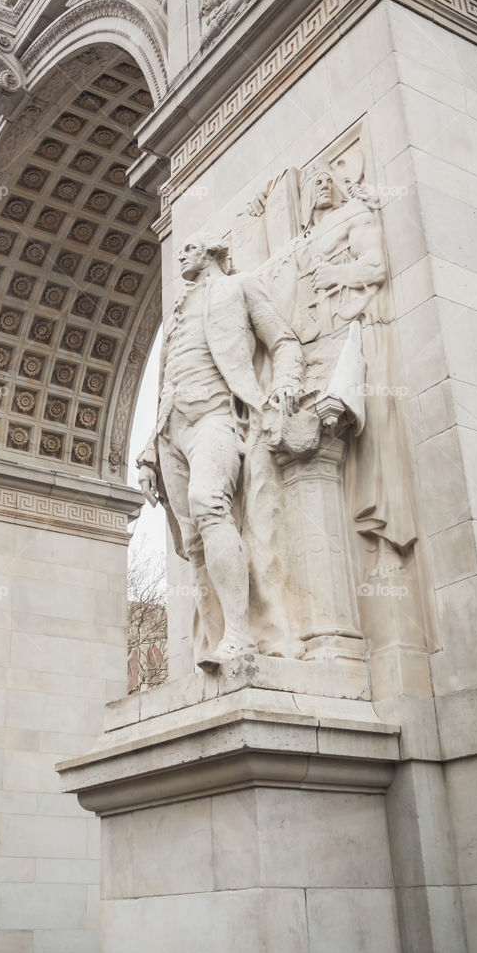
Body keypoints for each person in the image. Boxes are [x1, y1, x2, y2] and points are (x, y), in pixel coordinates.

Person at [137, 233, 304, 667]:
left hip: (216, 415)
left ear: (213, 252)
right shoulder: (174, 315)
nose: (181, 254)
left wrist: (286, 383)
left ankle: (241, 635)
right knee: (192, 540)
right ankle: (215, 641)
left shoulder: (239, 285)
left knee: (208, 504)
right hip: (171, 430)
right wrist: (149, 453)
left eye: (190, 248)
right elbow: (164, 387)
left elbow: (282, 340)